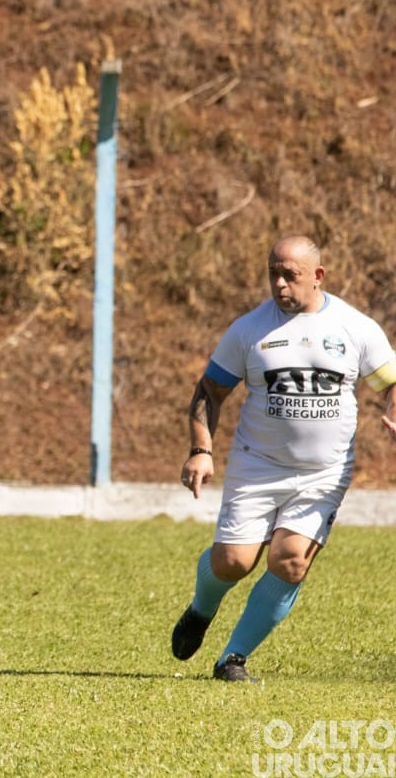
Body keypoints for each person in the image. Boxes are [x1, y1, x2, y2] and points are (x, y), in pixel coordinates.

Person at [171, 235, 396, 683]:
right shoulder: (250, 330)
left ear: (318, 276)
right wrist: (201, 451)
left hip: (325, 473)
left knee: (291, 560)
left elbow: (391, 382)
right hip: (257, 466)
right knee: (233, 562)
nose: (279, 284)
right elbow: (209, 392)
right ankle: (201, 608)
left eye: (289, 275)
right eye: (273, 273)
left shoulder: (355, 328)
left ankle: (232, 659)